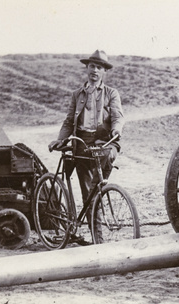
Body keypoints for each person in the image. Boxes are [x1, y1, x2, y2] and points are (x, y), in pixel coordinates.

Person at [49, 49, 124, 214]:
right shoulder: (77, 95)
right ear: (87, 68)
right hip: (81, 143)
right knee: (87, 191)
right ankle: (97, 236)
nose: (94, 70)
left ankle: (97, 190)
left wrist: (116, 130)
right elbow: (69, 121)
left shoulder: (111, 93)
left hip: (103, 140)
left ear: (104, 71)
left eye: (99, 67)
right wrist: (61, 139)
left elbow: (117, 116)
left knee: (109, 154)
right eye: (92, 66)